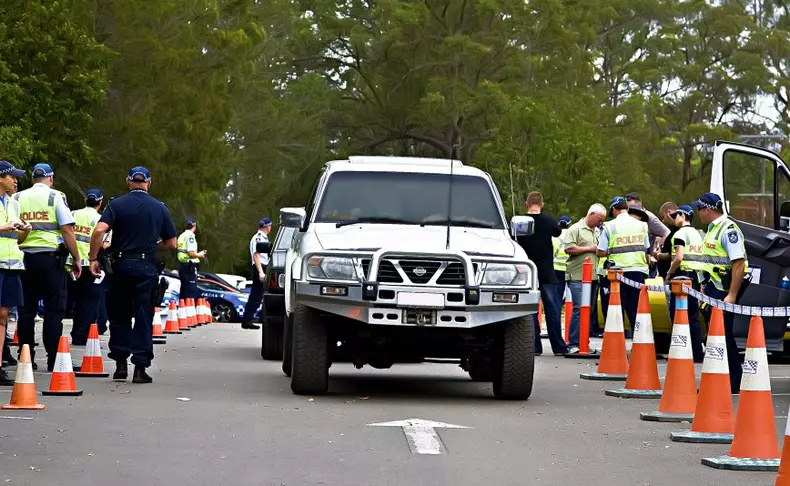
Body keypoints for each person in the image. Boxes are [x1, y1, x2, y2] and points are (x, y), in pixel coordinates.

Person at [88, 167, 177, 384]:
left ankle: (120, 365)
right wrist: (153, 247)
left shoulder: (116, 205)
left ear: (128, 181)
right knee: (144, 316)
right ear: (148, 183)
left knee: (119, 315)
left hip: (119, 265)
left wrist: (93, 258)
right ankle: (140, 368)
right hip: (146, 266)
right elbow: (172, 243)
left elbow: (99, 231)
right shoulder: (160, 208)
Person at [13, 163, 80, 371]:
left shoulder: (17, 197)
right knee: (54, 310)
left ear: (33, 178)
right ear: (50, 179)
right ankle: (53, 359)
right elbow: (67, 229)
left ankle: (26, 358)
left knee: (25, 310)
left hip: (23, 258)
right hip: (51, 259)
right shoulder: (55, 196)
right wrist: (76, 258)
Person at [694, 192, 749, 394]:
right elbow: (708, 262)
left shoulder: (728, 230)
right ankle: (720, 380)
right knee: (716, 336)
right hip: (712, 289)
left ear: (707, 209)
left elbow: (739, 264)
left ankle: (734, 380)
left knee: (723, 336)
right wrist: (702, 288)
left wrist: (732, 295)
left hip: (723, 291)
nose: (698, 213)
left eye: (699, 209)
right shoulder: (712, 230)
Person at [517, 192, 568, 356]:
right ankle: (558, 347)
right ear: (542, 205)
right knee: (552, 310)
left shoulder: (521, 222)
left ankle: (534, 346)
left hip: (527, 272)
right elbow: (557, 232)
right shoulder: (548, 221)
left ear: (526, 203)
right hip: (547, 272)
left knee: (531, 310)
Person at [597, 197, 650, 339]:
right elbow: (646, 249)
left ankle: (615, 345)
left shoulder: (609, 226)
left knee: (615, 310)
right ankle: (641, 344)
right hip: (638, 271)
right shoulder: (642, 225)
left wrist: (611, 251)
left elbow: (601, 251)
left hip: (617, 273)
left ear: (614, 209)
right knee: (636, 311)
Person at [0, 161, 30, 385]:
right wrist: (4, 227)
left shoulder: (14, 203)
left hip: (12, 265)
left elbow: (17, 239)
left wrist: (24, 232)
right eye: (12, 177)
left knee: (4, 315)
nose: (16, 180)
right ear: (1, 178)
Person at [664, 205, 705, 363]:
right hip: (695, 277)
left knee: (678, 315)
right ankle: (696, 353)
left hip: (682, 275)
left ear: (683, 215)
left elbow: (679, 257)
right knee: (693, 317)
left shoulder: (680, 234)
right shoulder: (697, 234)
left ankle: (680, 352)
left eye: (676, 216)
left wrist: (669, 273)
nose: (674, 219)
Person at [563, 204, 605, 354]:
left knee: (589, 310)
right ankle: (573, 343)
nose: (599, 223)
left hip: (593, 276)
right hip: (577, 276)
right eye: (598, 219)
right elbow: (568, 248)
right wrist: (590, 248)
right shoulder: (575, 229)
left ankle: (583, 343)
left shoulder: (598, 231)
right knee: (579, 309)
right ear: (591, 214)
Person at [69, 189, 105, 346]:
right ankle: (83, 335)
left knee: (75, 300)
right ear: (100, 202)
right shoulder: (101, 219)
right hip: (90, 264)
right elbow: (105, 244)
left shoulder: (73, 214)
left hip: (72, 263)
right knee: (89, 302)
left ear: (85, 201)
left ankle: (76, 332)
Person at [626, 193, 670, 277]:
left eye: (631, 207)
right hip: (630, 261)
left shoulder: (649, 217)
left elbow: (667, 233)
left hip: (647, 263)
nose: (629, 211)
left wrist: (657, 250)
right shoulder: (624, 217)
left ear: (639, 204)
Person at [240, 218, 272, 330]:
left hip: (263, 266)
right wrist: (261, 272)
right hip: (260, 266)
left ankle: (249, 318)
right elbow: (256, 255)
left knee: (258, 295)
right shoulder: (258, 238)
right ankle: (247, 320)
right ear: (267, 226)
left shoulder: (263, 237)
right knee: (256, 295)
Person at [176, 218, 206, 301]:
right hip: (190, 266)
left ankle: (183, 312)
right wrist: (200, 254)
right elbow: (191, 253)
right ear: (194, 225)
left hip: (183, 265)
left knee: (184, 292)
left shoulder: (182, 235)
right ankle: (189, 312)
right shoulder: (190, 236)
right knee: (190, 293)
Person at [655, 202, 679, 278]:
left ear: (669, 212)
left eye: (663, 217)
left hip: (672, 275)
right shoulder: (674, 231)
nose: (663, 221)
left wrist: (658, 255)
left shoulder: (678, 232)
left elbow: (673, 255)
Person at [552, 215, 571, 309]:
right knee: (573, 297)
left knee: (557, 297)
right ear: (569, 224)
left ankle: (557, 317)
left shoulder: (554, 235)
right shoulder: (572, 234)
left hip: (557, 269)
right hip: (571, 269)